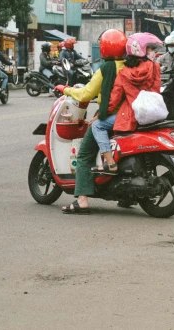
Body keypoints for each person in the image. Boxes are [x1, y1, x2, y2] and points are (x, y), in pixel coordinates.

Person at [56, 30, 128, 214]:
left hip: (111, 117)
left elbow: (87, 93)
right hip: (129, 116)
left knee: (84, 155)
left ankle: (82, 200)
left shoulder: (106, 69)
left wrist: (66, 89)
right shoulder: (130, 65)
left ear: (104, 48)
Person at [101, 32, 163, 161]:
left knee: (97, 125)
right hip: (153, 112)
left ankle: (108, 161)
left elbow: (114, 99)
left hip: (130, 116)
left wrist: (102, 113)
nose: (153, 52)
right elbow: (156, 90)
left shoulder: (123, 73)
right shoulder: (155, 67)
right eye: (150, 49)